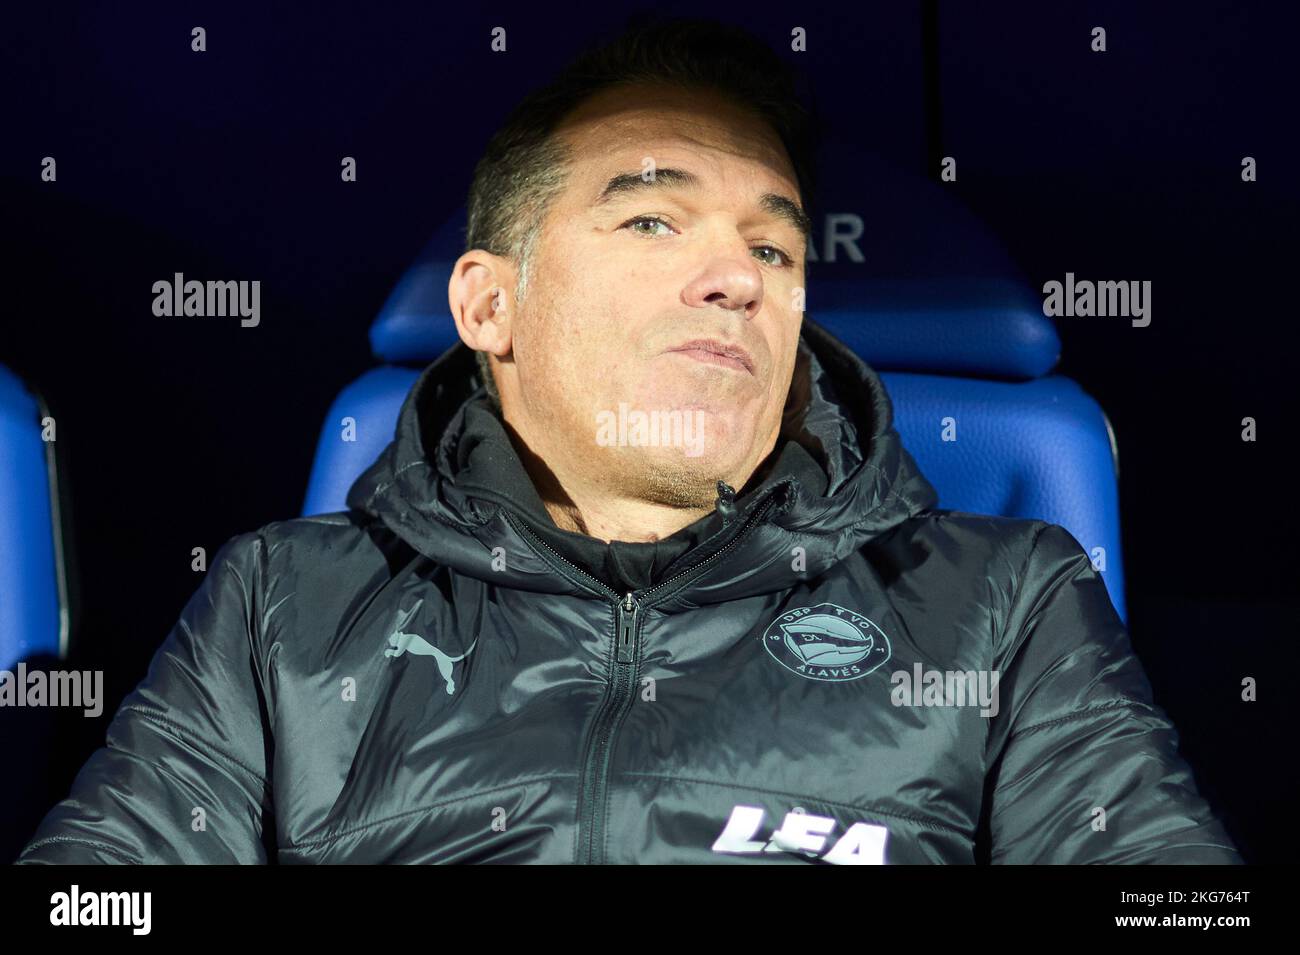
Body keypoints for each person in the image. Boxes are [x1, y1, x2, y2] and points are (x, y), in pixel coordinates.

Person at [17, 17, 1240, 864]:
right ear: (488, 305)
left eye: (773, 247)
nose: (737, 277)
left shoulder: (1006, 599)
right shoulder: (280, 603)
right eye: (653, 220)